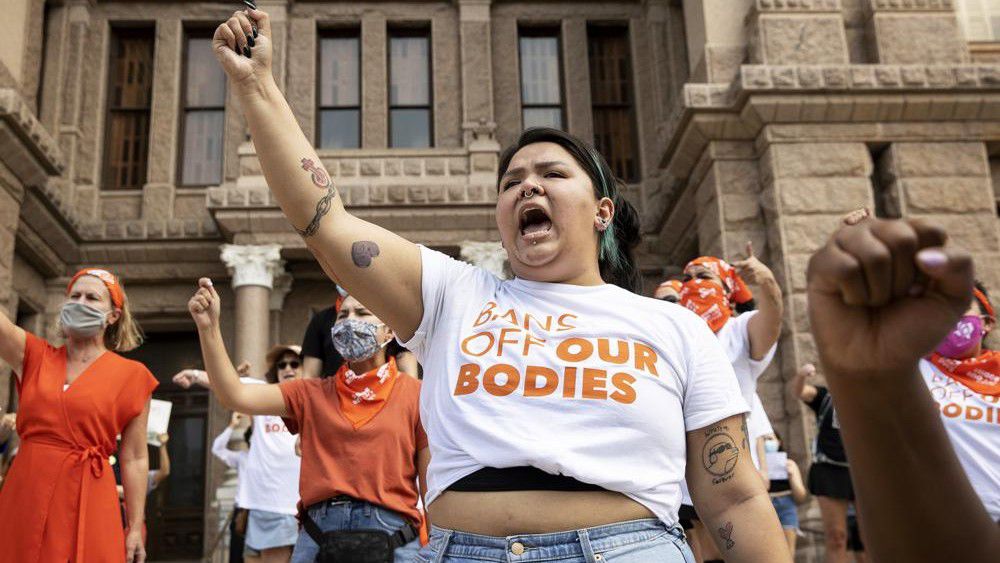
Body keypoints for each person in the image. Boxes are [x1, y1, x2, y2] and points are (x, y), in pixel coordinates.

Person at [209, 8, 790, 561]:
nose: (527, 188)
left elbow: (734, 496)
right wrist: (256, 86)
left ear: (602, 212)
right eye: (512, 182)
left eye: (552, 175)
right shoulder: (452, 297)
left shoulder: (676, 327)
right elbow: (324, 219)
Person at [806, 216, 1000, 562]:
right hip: (941, 531)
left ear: (987, 323)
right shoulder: (910, 368)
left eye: (962, 310)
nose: (949, 319)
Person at [188, 284, 428, 562]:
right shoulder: (309, 393)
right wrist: (209, 328)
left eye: (362, 313)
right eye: (343, 315)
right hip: (318, 536)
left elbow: (431, 483)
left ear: (389, 332)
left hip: (395, 538)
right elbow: (234, 395)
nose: (350, 321)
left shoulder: (416, 394)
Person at [0, 268, 157, 563]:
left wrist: (135, 526)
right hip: (26, 490)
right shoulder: (34, 356)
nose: (80, 302)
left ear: (113, 316)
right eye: (74, 296)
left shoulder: (133, 376)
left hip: (90, 490)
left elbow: (135, 457)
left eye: (92, 298)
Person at [175, 346, 303, 563]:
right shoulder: (266, 392)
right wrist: (195, 375)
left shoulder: (316, 396)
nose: (288, 368)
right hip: (264, 505)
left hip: (295, 505)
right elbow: (228, 385)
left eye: (295, 363)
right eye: (282, 364)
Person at [789, 362, 864, 563]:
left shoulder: (869, 399)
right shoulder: (826, 397)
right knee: (837, 536)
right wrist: (802, 375)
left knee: (868, 538)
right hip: (829, 470)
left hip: (862, 473)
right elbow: (799, 391)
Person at [212, 411, 255, 563]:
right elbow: (217, 448)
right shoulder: (242, 457)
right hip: (242, 511)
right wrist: (232, 426)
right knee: (237, 555)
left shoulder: (272, 458)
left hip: (263, 510)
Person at [760, 432, 807, 555]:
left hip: (786, 506)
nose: (767, 443)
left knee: (788, 551)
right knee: (768, 552)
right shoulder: (757, 466)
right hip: (765, 506)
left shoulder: (789, 463)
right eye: (763, 440)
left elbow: (801, 496)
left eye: (770, 439)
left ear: (779, 442)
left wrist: (791, 476)